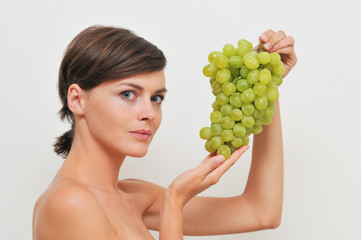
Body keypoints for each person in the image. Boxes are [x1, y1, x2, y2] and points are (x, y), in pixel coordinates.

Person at [32, 25, 297, 239]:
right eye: (128, 94)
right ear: (77, 100)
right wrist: (174, 200)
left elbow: (261, 212)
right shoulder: (68, 203)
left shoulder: (133, 196)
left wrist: (265, 84)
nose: (148, 112)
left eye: (156, 98)